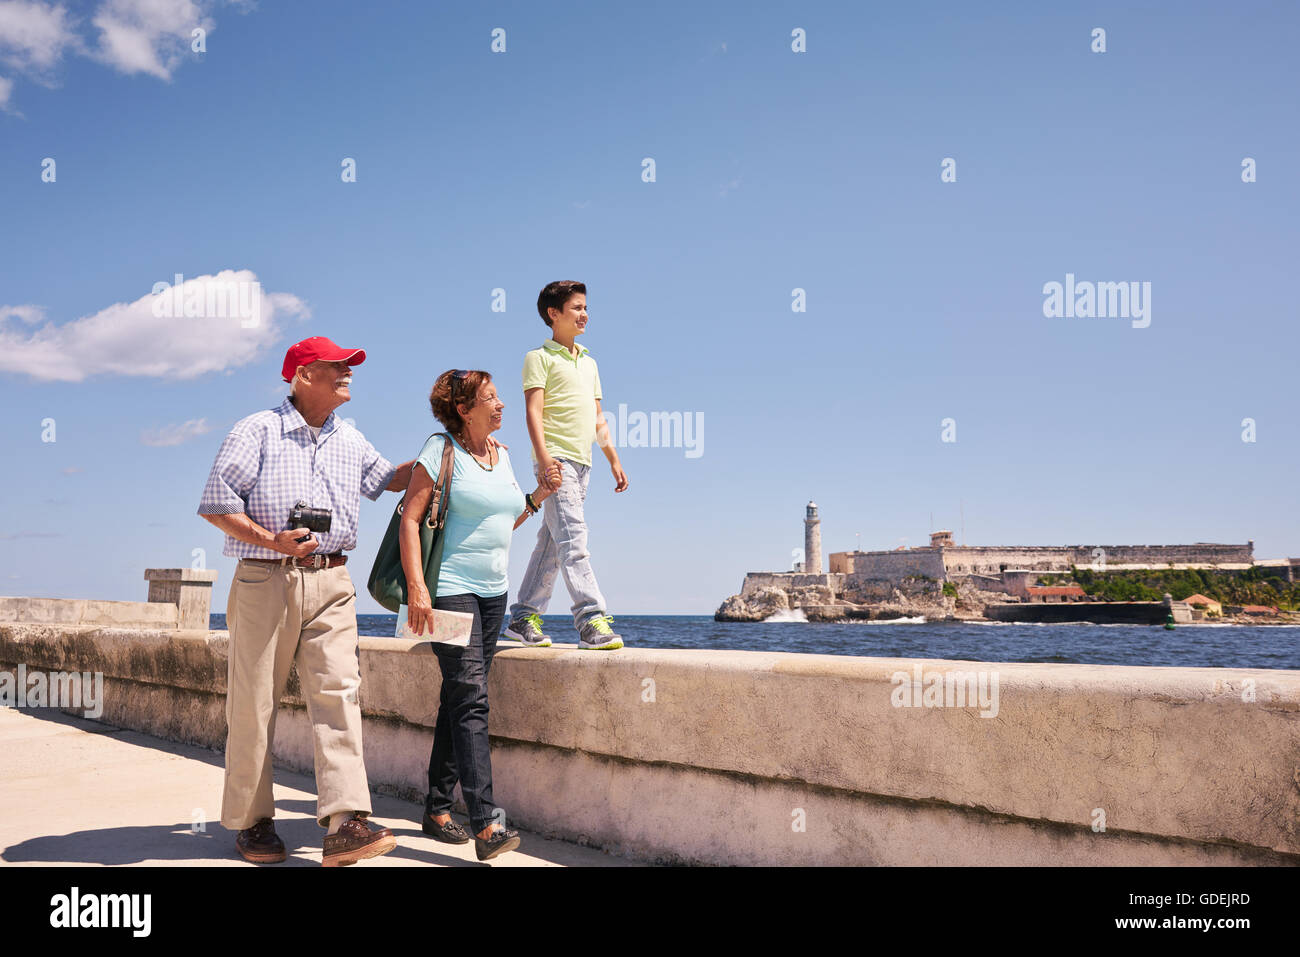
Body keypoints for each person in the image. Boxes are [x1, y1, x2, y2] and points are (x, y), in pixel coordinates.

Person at [198, 336, 413, 867]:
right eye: (336, 366)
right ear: (300, 375)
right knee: (254, 703)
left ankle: (346, 823)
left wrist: (442, 449)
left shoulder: (350, 437)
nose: (348, 373)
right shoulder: (257, 429)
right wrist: (273, 541)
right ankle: (252, 822)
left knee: (340, 694)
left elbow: (389, 481)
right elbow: (216, 504)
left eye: (349, 366)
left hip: (333, 581)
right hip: (265, 578)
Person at [399, 369, 561, 862]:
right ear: (464, 409)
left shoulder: (504, 455)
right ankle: (486, 823)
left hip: (495, 594)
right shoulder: (440, 450)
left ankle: (436, 807)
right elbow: (410, 516)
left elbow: (500, 517)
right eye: (491, 398)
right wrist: (418, 589)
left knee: (460, 694)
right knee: (472, 699)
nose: (502, 405)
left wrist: (537, 498)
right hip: (449, 591)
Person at [505, 280, 628, 650]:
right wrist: (545, 460)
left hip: (584, 463)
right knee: (574, 539)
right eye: (576, 307)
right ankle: (590, 618)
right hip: (556, 460)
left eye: (585, 307)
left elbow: (597, 418)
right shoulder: (538, 358)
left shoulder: (589, 362)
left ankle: (524, 615)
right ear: (552, 314)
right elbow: (533, 411)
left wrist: (614, 460)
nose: (584, 313)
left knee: (552, 542)